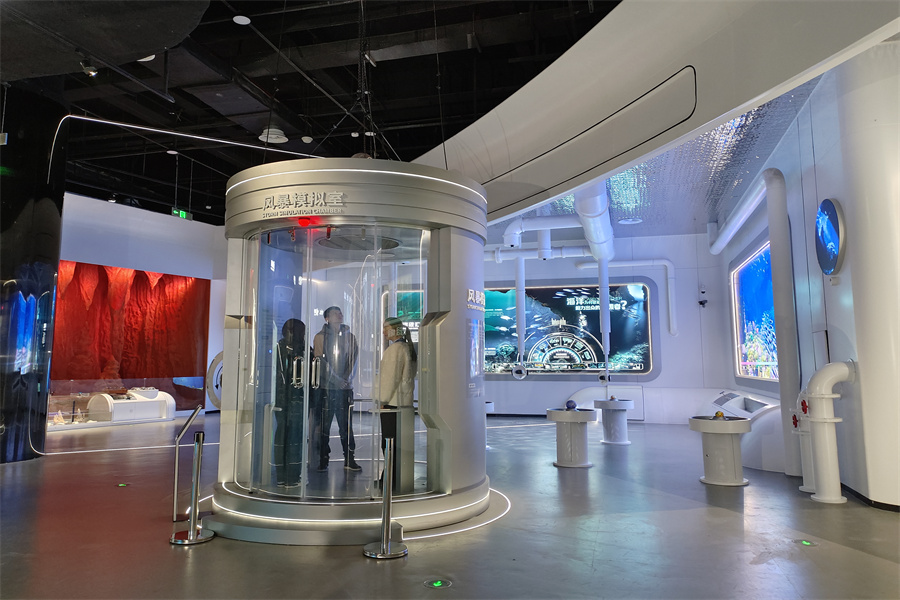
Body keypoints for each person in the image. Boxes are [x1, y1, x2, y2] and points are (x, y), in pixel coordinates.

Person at [313, 306, 361, 471]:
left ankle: (349, 458)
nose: (339, 315)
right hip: (326, 389)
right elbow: (320, 361)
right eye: (335, 313)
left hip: (344, 389)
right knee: (324, 427)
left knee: (346, 426)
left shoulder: (350, 337)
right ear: (327, 318)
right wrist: (336, 380)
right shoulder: (320, 337)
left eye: (340, 312)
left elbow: (353, 359)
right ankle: (323, 458)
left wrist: (345, 380)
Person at [377, 316, 417, 492]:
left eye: (386, 328)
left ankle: (389, 479)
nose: (384, 332)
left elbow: (389, 379)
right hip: (402, 402)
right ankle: (393, 478)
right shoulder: (406, 347)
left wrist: (382, 399)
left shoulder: (394, 350)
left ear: (394, 329)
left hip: (392, 403)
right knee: (397, 443)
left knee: (388, 443)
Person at [273, 319, 307, 488]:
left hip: (279, 401)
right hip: (295, 400)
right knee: (295, 439)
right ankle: (293, 477)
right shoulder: (300, 350)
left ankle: (281, 476)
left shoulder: (278, 348)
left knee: (281, 436)